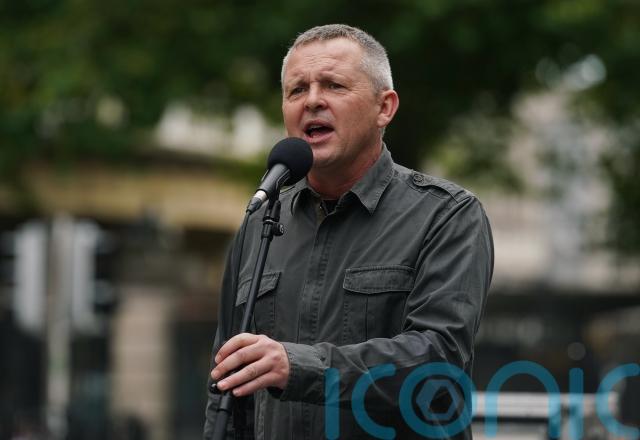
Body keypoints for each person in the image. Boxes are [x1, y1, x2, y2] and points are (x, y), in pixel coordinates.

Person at [204, 24, 493, 439]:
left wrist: (298, 366)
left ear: (384, 108)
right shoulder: (260, 222)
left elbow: (437, 361)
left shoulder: (447, 215)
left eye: (334, 85)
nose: (312, 100)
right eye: (296, 90)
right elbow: (226, 386)